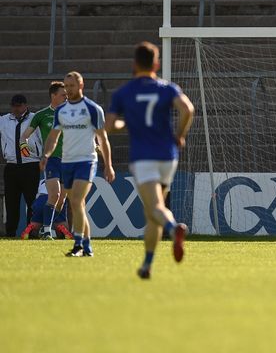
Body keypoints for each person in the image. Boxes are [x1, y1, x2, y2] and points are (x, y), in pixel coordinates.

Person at [105, 42, 195, 279]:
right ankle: (146, 265)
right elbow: (187, 110)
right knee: (152, 213)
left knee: (155, 208)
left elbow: (110, 126)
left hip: (144, 157)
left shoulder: (124, 92)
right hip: (167, 155)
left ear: (134, 64)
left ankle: (173, 228)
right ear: (156, 64)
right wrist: (180, 136)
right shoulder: (167, 88)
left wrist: (126, 123)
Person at [41, 71, 115, 257]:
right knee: (78, 204)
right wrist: (46, 155)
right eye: (66, 87)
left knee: (75, 201)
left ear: (81, 86)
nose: (68, 90)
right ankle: (87, 246)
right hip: (67, 162)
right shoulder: (61, 111)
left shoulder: (92, 108)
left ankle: (78, 245)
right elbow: (53, 137)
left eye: (72, 86)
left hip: (87, 160)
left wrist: (109, 165)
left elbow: (103, 139)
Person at [20, 81, 68, 239]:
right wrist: (22, 144)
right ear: (53, 96)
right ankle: (47, 231)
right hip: (51, 159)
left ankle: (44, 225)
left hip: (69, 160)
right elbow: (25, 135)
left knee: (61, 200)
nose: (66, 97)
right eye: (63, 95)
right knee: (54, 195)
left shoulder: (71, 113)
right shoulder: (41, 115)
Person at [0, 94, 41, 237]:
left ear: (25, 105)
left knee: (32, 202)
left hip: (31, 165)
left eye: (18, 106)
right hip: (11, 167)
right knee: (11, 203)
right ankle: (10, 233)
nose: (16, 109)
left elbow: (43, 138)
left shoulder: (35, 118)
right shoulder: (4, 120)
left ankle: (32, 232)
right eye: (13, 106)